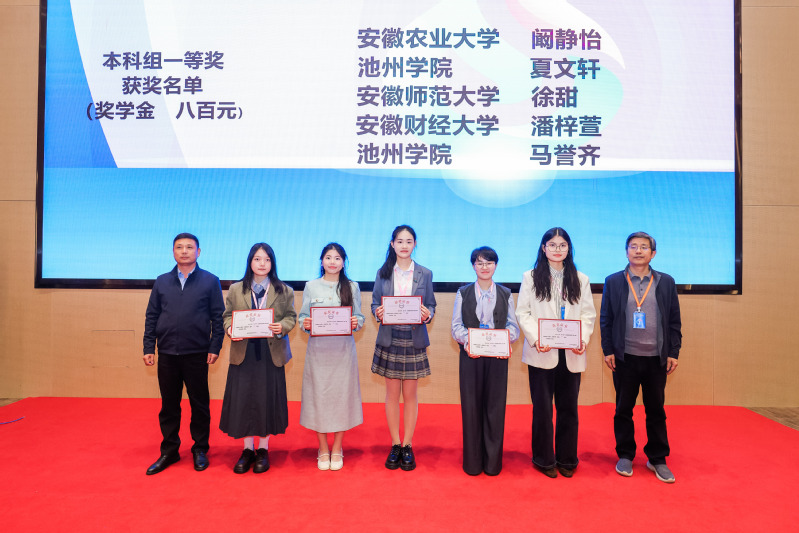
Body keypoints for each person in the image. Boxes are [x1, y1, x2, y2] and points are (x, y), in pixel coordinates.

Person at [600, 231, 682, 483]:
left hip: (656, 358)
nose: (638, 251)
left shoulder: (666, 282)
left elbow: (674, 320)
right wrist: (608, 349)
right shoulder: (614, 281)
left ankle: (657, 458)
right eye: (633, 246)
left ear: (653, 253)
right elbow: (606, 319)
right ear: (626, 252)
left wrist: (673, 352)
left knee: (656, 410)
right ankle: (625, 455)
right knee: (623, 409)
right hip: (625, 357)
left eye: (644, 247)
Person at [515, 227, 596, 478]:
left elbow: (588, 314)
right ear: (544, 248)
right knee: (542, 409)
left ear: (569, 248)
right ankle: (544, 459)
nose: (557, 249)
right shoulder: (530, 277)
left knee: (569, 408)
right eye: (552, 245)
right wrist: (536, 338)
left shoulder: (580, 279)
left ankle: (567, 459)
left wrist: (582, 339)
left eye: (562, 245)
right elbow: (523, 313)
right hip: (542, 351)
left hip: (571, 353)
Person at [143, 233, 224, 475]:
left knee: (199, 405)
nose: (184, 251)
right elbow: (152, 316)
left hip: (197, 353)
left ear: (198, 252)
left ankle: (200, 449)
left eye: (190, 247)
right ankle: (169, 450)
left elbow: (218, 318)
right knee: (169, 405)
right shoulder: (161, 281)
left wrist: (214, 347)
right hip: (167, 353)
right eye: (179, 247)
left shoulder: (210, 281)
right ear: (173, 252)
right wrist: (148, 347)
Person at [220, 243, 296, 474]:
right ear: (250, 262)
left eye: (267, 259)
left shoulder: (284, 290)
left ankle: (263, 449)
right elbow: (226, 316)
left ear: (272, 263)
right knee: (244, 401)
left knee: (266, 400)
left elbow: (291, 317)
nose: (262, 264)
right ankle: (247, 450)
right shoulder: (236, 289)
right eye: (257, 259)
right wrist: (230, 328)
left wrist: (282, 326)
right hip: (243, 353)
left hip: (270, 353)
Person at [451, 246, 520, 476]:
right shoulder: (463, 293)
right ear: (473, 266)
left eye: (489, 263)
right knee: (471, 409)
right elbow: (456, 327)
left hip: (497, 358)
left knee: (494, 409)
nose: (484, 267)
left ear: (496, 266)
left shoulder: (506, 293)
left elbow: (513, 327)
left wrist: (504, 341)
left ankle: (492, 463)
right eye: (479, 263)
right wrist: (469, 342)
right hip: (470, 357)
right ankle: (472, 463)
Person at [371, 225, 436, 471]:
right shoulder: (383, 272)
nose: (404, 246)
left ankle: (408, 444)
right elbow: (375, 303)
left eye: (409, 241)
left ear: (415, 244)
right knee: (391, 395)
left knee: (410, 395)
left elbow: (431, 304)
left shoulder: (425, 273)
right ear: (392, 244)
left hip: (413, 337)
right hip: (390, 336)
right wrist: (377, 312)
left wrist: (428, 314)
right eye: (400, 241)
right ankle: (395, 444)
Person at [298, 243, 365, 471]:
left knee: (341, 399)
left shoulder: (352, 287)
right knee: (318, 398)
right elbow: (302, 318)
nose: (333, 262)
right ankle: (322, 448)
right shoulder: (311, 286)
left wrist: (356, 322)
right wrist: (306, 323)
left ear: (343, 262)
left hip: (343, 353)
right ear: (322, 261)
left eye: (337, 258)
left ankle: (337, 447)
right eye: (328, 257)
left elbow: (359, 318)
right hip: (318, 354)